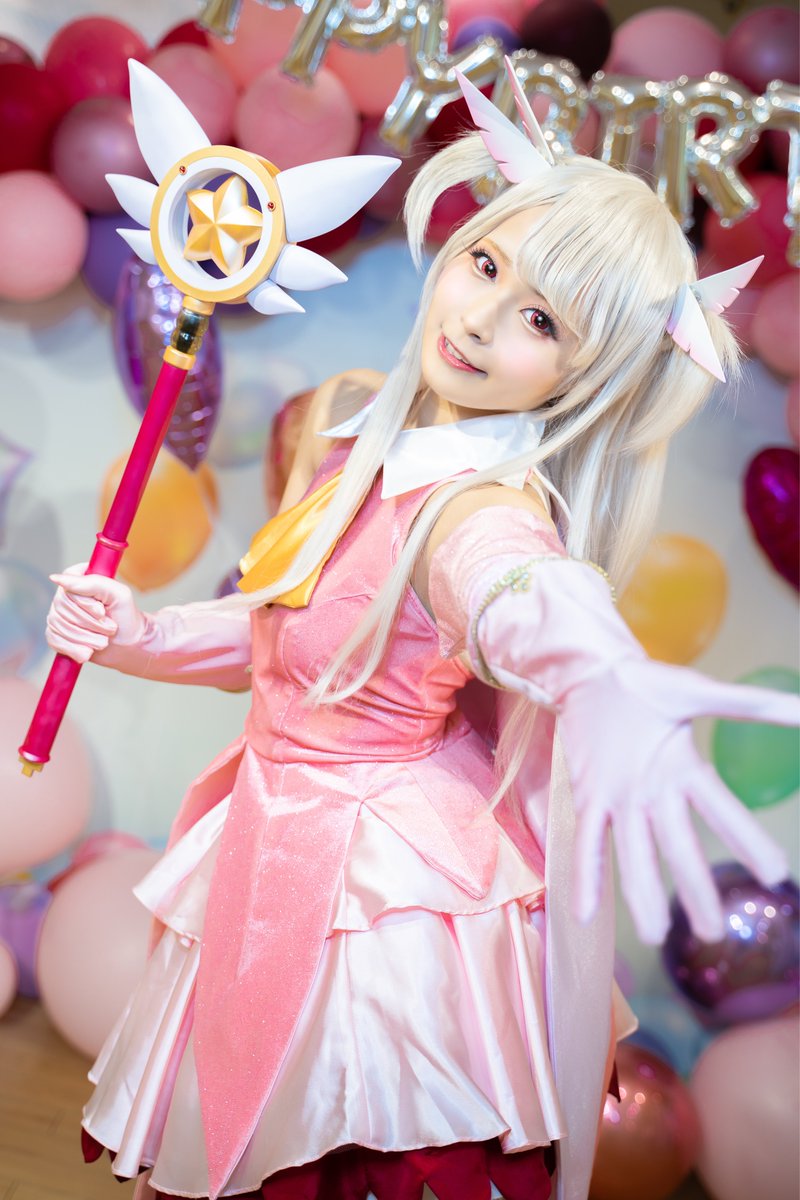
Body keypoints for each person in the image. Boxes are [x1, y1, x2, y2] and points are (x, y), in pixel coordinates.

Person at [46, 68, 797, 1200]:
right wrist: (138, 630)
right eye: (487, 265)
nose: (483, 319)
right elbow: (292, 641)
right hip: (276, 832)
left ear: (583, 375)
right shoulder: (371, 448)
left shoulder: (478, 509)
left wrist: (602, 672)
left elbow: (518, 589)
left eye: (542, 320)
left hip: (372, 895)